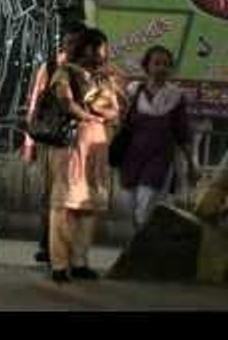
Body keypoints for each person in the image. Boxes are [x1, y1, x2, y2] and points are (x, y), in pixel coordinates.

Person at [47, 28, 120, 284]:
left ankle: (79, 261)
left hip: (97, 145)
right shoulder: (65, 72)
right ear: (89, 48)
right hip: (72, 144)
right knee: (64, 204)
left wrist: (95, 109)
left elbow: (114, 110)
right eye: (101, 47)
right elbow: (66, 103)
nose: (104, 53)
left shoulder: (106, 78)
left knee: (90, 206)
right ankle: (59, 264)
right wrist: (91, 114)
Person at [22, 20, 87, 264]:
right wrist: (29, 143)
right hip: (51, 139)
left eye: (78, 44)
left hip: (80, 142)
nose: (73, 48)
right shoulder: (50, 67)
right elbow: (35, 104)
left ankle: (66, 247)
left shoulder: (87, 71)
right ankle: (47, 244)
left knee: (74, 196)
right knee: (50, 194)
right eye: (70, 42)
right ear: (63, 42)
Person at [118, 46, 194, 229]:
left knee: (146, 202)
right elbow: (121, 121)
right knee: (131, 206)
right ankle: (138, 244)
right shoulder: (133, 92)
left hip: (159, 159)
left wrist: (191, 163)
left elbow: (182, 132)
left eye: (166, 64)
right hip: (132, 158)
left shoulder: (176, 97)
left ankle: (142, 248)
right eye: (157, 63)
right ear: (147, 66)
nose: (162, 68)